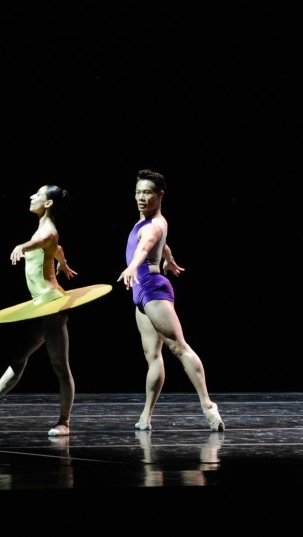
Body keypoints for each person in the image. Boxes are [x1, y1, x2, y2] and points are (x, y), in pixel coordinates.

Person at [117, 169, 225, 432]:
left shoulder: (154, 224)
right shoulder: (145, 221)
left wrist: (133, 266)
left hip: (153, 288)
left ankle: (209, 407)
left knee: (178, 347)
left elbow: (147, 243)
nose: (141, 198)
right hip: (140, 293)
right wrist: (169, 258)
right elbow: (161, 244)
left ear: (160, 194)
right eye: (138, 192)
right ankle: (146, 416)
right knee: (152, 356)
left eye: (147, 193)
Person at [0, 184, 79, 437]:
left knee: (61, 367)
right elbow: (56, 248)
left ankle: (64, 422)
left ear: (48, 204)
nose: (32, 197)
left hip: (52, 305)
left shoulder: (47, 230)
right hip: (40, 306)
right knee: (18, 357)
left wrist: (22, 246)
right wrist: (64, 264)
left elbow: (42, 241)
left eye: (38, 195)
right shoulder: (45, 229)